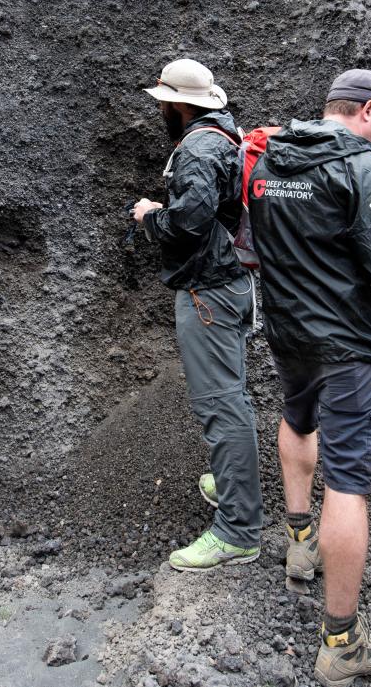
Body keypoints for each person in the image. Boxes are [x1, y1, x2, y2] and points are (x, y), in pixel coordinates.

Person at [247, 69, 371, 687]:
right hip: (351, 344)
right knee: (351, 483)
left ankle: (299, 540)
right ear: (367, 110)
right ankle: (343, 641)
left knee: (296, 418)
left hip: (288, 331)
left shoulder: (269, 160)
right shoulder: (366, 169)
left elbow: (257, 245)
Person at [131, 58, 265, 572]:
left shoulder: (196, 147)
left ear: (178, 104)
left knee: (222, 406)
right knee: (231, 396)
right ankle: (229, 482)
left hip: (208, 291)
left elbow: (189, 222)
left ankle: (237, 530)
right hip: (233, 284)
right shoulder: (226, 137)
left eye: (163, 102)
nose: (160, 110)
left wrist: (149, 216)